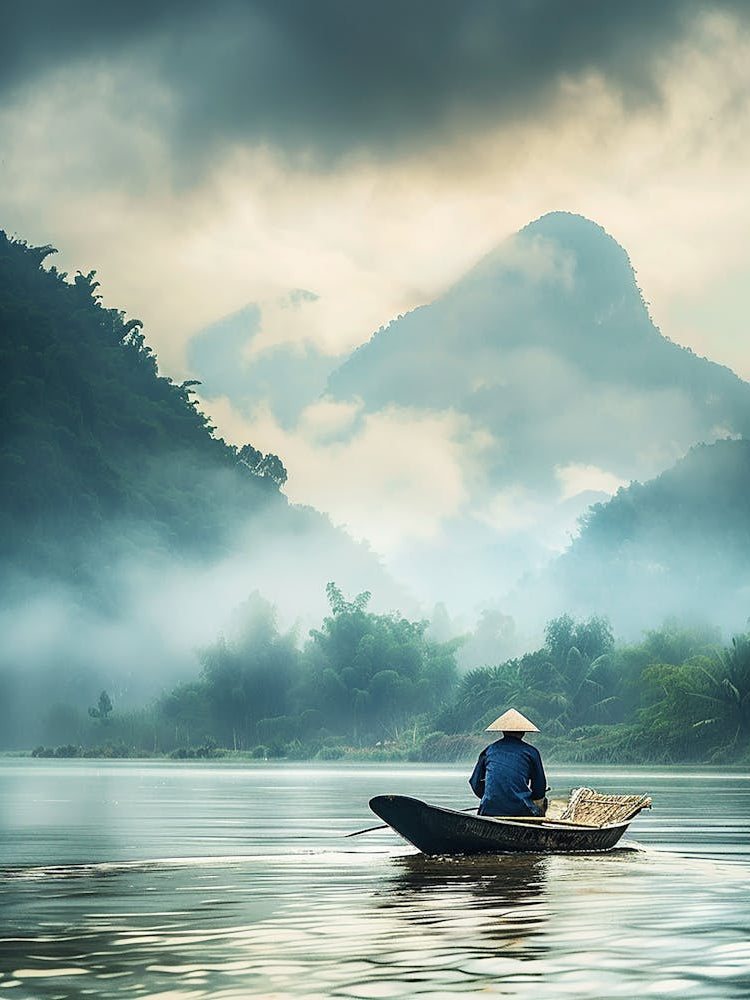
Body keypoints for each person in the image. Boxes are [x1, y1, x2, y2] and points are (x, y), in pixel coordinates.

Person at [469, 708, 548, 817]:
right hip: (521, 810)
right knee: (542, 804)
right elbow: (539, 789)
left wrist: (492, 797)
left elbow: (475, 783)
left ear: (503, 731)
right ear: (523, 732)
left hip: (489, 809)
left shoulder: (489, 750)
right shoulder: (531, 752)